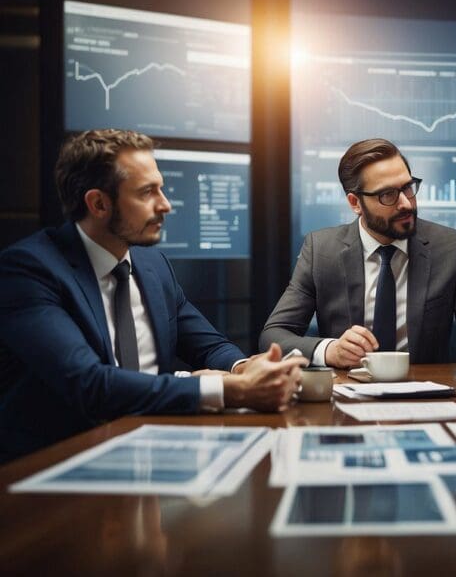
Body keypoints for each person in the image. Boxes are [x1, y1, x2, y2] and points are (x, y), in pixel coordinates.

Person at [0, 130, 303, 463]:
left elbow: (209, 345)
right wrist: (232, 390)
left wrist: (245, 367)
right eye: (147, 193)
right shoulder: (29, 270)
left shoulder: (151, 263)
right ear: (99, 203)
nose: (166, 205)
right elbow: (88, 384)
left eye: (161, 188)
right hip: (59, 466)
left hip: (152, 447)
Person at [260, 138, 456, 366]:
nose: (406, 204)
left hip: (425, 391)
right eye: (387, 195)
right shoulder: (321, 250)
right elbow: (273, 336)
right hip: (349, 392)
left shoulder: (450, 247)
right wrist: (330, 350)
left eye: (408, 188)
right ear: (355, 203)